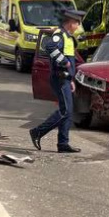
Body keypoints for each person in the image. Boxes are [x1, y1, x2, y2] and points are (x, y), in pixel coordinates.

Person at [29, 8, 86, 153]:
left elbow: (69, 58)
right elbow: (49, 47)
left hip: (65, 78)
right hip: (59, 78)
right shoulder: (59, 34)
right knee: (65, 110)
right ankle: (37, 132)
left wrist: (71, 78)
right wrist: (63, 62)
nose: (78, 26)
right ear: (70, 22)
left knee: (68, 111)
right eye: (77, 23)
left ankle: (63, 143)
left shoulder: (67, 37)